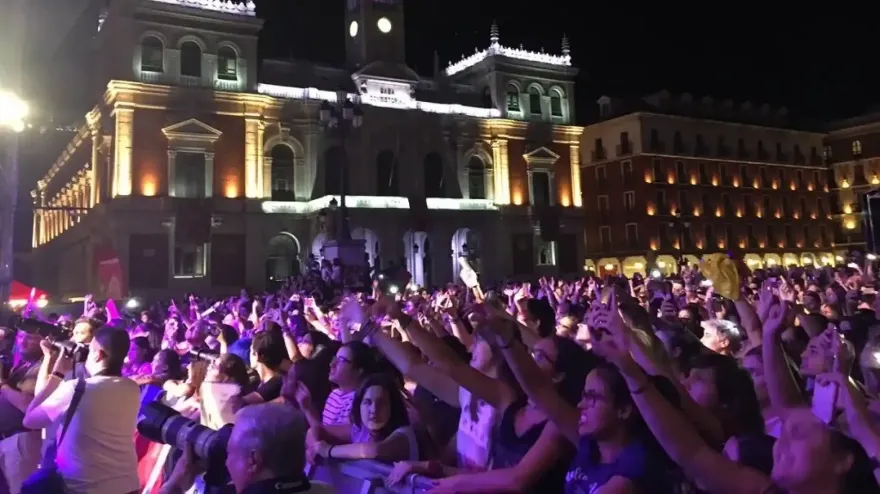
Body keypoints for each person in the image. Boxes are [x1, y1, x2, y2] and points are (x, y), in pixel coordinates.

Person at [23, 326, 141, 494]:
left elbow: (30, 420)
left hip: (84, 488)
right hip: (127, 486)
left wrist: (57, 374)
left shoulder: (77, 389)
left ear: (98, 354)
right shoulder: (132, 387)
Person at [162, 403, 335, 493]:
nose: (226, 462)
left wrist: (174, 486)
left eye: (229, 453)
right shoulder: (326, 490)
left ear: (253, 461)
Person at [0, 330, 43, 494]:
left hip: (22, 439)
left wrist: (3, 385)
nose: (22, 341)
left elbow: (27, 405)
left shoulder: (42, 367)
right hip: (9, 439)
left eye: (29, 337)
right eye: (20, 336)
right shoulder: (23, 366)